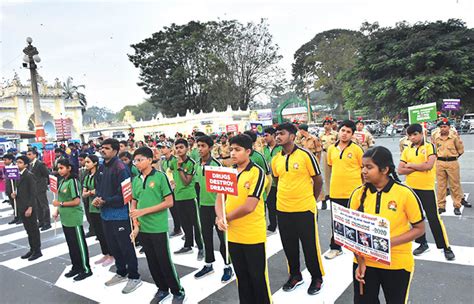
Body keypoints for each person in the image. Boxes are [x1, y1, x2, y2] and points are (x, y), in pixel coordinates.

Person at [351, 146, 425, 303]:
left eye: (369, 167)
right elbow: (352, 233)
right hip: (365, 263)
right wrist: (360, 261)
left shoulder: (404, 193)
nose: (364, 171)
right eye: (363, 166)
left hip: (396, 263)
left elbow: (419, 229)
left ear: (384, 169)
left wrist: (387, 244)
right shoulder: (358, 194)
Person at [216, 134, 271, 304]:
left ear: (248, 151)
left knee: (257, 278)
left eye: (237, 150)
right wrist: (219, 217)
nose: (233, 153)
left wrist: (226, 217)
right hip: (233, 234)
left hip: (252, 234)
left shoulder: (256, 172)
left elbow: (249, 206)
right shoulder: (228, 172)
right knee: (242, 277)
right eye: (231, 149)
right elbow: (219, 198)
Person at [272, 123, 325, 295]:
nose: (277, 136)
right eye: (276, 133)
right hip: (283, 209)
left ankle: (316, 277)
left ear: (293, 136)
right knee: (289, 245)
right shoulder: (276, 159)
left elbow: (318, 180)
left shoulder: (305, 155)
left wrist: (312, 199)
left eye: (282, 133)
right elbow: (278, 181)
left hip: (304, 209)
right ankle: (295, 275)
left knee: (310, 246)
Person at [130, 147, 186, 304]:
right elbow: (134, 203)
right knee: (152, 261)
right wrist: (135, 226)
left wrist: (144, 211)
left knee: (164, 260)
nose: (137, 163)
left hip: (158, 227)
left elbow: (169, 202)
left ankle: (178, 291)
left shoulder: (160, 177)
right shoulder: (135, 180)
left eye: (140, 160)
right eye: (135, 161)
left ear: (149, 160)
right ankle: (162, 289)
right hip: (143, 228)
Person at [398, 123, 455, 261]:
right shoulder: (407, 150)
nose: (412, 137)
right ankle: (422, 243)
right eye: (409, 135)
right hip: (411, 188)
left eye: (414, 134)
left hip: (427, 189)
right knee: (415, 218)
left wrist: (410, 165)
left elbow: (429, 165)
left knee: (434, 218)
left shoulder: (430, 146)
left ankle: (445, 247)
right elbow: (400, 170)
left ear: (421, 133)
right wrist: (419, 167)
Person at [94, 138, 142, 293]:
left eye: (106, 148)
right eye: (102, 148)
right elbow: (99, 187)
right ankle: (121, 272)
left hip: (120, 214)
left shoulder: (121, 168)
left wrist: (105, 201)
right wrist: (98, 198)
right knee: (113, 246)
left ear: (115, 151)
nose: (103, 150)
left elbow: (125, 195)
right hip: (105, 214)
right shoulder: (102, 167)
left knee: (126, 246)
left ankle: (134, 276)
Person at [193, 135, 233, 282]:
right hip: (203, 206)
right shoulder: (197, 165)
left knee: (223, 239)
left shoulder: (217, 165)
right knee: (207, 237)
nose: (200, 149)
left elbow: (224, 189)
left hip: (217, 208)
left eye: (203, 146)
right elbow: (198, 185)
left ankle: (228, 266)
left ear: (210, 148)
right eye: (198, 146)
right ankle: (208, 264)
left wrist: (221, 212)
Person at [325, 120, 364, 260]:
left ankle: (359, 248)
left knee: (356, 221)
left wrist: (364, 190)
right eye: (343, 130)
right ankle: (335, 247)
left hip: (354, 192)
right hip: (336, 191)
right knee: (336, 222)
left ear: (352, 134)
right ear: (338, 131)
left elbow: (363, 169)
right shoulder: (331, 149)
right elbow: (330, 166)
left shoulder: (357, 149)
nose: (345, 134)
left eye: (348, 132)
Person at [52, 158, 92, 281]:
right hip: (65, 218)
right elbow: (61, 198)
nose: (59, 171)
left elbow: (76, 201)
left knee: (79, 245)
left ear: (69, 168)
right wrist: (57, 210)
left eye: (61, 168)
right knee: (71, 245)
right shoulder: (63, 181)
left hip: (74, 218)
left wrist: (60, 203)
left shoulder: (73, 181)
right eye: (58, 168)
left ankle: (86, 269)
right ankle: (76, 266)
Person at [170, 139, 204, 260]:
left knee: (196, 223)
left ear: (187, 149)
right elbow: (169, 169)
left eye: (181, 147)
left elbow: (186, 182)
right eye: (177, 147)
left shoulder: (191, 163)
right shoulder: (173, 161)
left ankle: (201, 247)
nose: (179, 150)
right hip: (178, 196)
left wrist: (179, 168)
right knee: (185, 223)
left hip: (190, 196)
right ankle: (188, 245)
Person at [8, 155, 42, 261]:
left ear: (26, 164)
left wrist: (30, 207)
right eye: (17, 162)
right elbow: (20, 190)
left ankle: (37, 251)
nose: (17, 164)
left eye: (20, 162)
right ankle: (32, 249)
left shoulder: (29, 175)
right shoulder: (17, 175)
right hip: (21, 206)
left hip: (29, 207)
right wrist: (14, 194)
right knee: (28, 230)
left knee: (33, 229)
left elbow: (33, 193)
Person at [433, 119, 471, 214]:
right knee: (441, 186)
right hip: (440, 162)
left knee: (455, 185)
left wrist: (452, 157)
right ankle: (441, 206)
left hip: (452, 163)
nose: (443, 129)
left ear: (449, 127)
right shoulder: (436, 137)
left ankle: (457, 206)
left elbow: (460, 150)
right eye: (441, 127)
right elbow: (434, 149)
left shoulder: (454, 137)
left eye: (445, 127)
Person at [82, 154, 114, 267]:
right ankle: (105, 253)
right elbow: (84, 193)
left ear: (95, 163)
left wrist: (90, 192)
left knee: (106, 233)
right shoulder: (87, 176)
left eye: (88, 162)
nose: (85, 164)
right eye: (85, 162)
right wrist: (91, 192)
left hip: (100, 208)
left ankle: (111, 254)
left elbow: (100, 189)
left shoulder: (100, 175)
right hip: (91, 208)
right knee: (99, 233)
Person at [159, 141, 183, 238]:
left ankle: (181, 229)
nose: (162, 149)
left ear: (170, 149)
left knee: (179, 210)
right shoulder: (164, 161)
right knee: (173, 210)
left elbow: (177, 174)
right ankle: (177, 228)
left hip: (176, 188)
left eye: (164, 147)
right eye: (161, 147)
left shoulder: (175, 160)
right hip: (169, 188)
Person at [262, 127, 282, 232]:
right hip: (269, 183)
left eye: (266, 135)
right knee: (270, 204)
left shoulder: (280, 148)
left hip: (280, 181)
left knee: (281, 205)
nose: (264, 138)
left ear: (273, 135)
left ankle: (282, 223)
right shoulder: (263, 149)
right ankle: (273, 224)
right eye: (264, 135)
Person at [26, 149, 51, 231]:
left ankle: (47, 223)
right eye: (27, 154)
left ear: (35, 155)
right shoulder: (30, 165)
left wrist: (46, 184)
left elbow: (46, 174)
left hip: (40, 188)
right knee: (37, 206)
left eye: (29, 154)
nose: (28, 156)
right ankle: (41, 221)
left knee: (44, 206)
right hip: (34, 189)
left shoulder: (40, 164)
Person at [319, 117, 338, 210]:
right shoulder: (321, 135)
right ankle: (327, 194)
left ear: (331, 125)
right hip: (325, 153)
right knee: (325, 175)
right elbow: (319, 145)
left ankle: (334, 193)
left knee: (335, 174)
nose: (326, 125)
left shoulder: (336, 134)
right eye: (325, 124)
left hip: (334, 153)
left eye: (328, 124)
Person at [3, 154, 21, 225]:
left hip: (14, 190)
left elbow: (17, 181)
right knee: (13, 205)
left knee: (18, 204)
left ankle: (20, 218)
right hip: (9, 189)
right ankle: (16, 217)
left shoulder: (15, 167)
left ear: (10, 160)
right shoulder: (6, 167)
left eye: (5, 160)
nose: (4, 161)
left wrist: (15, 191)